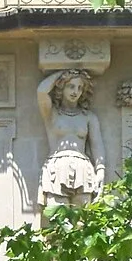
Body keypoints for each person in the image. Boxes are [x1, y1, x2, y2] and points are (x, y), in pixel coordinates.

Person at [37, 68, 106, 208]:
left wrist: (100, 171)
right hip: (57, 168)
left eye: (80, 88)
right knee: (58, 217)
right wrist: (64, 73)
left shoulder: (88, 117)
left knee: (83, 219)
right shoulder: (52, 114)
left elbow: (97, 146)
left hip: (83, 168)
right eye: (71, 86)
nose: (76, 91)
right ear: (61, 87)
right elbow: (41, 91)